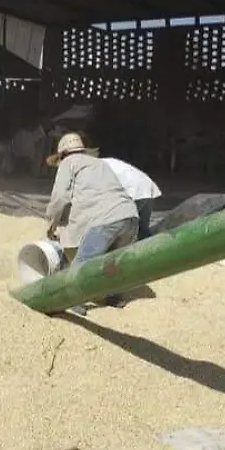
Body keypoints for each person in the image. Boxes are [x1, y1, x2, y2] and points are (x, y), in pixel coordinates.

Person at [44, 132, 139, 317]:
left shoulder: (68, 163)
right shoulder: (99, 164)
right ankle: (114, 296)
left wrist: (50, 224)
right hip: (130, 215)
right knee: (113, 260)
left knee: (83, 263)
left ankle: (73, 300)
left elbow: (59, 198)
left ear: (62, 155)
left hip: (105, 219)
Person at [99, 156, 161, 240]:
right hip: (146, 187)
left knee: (122, 231)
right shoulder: (107, 161)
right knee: (142, 231)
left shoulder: (96, 167)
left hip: (133, 192)